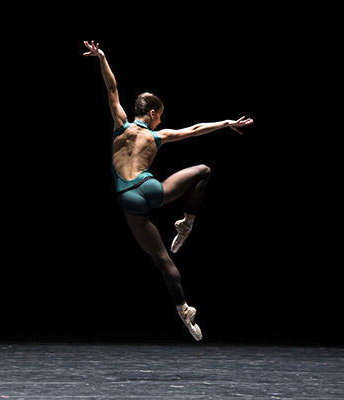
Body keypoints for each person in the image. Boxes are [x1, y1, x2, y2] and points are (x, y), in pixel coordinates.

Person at [83, 41, 253, 341]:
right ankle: (187, 222)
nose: (162, 119)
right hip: (151, 189)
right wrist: (226, 122)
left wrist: (102, 58)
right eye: (160, 115)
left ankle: (183, 309)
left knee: (162, 259)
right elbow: (196, 129)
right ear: (151, 113)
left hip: (128, 198)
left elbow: (111, 89)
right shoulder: (157, 134)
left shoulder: (120, 125)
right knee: (203, 172)